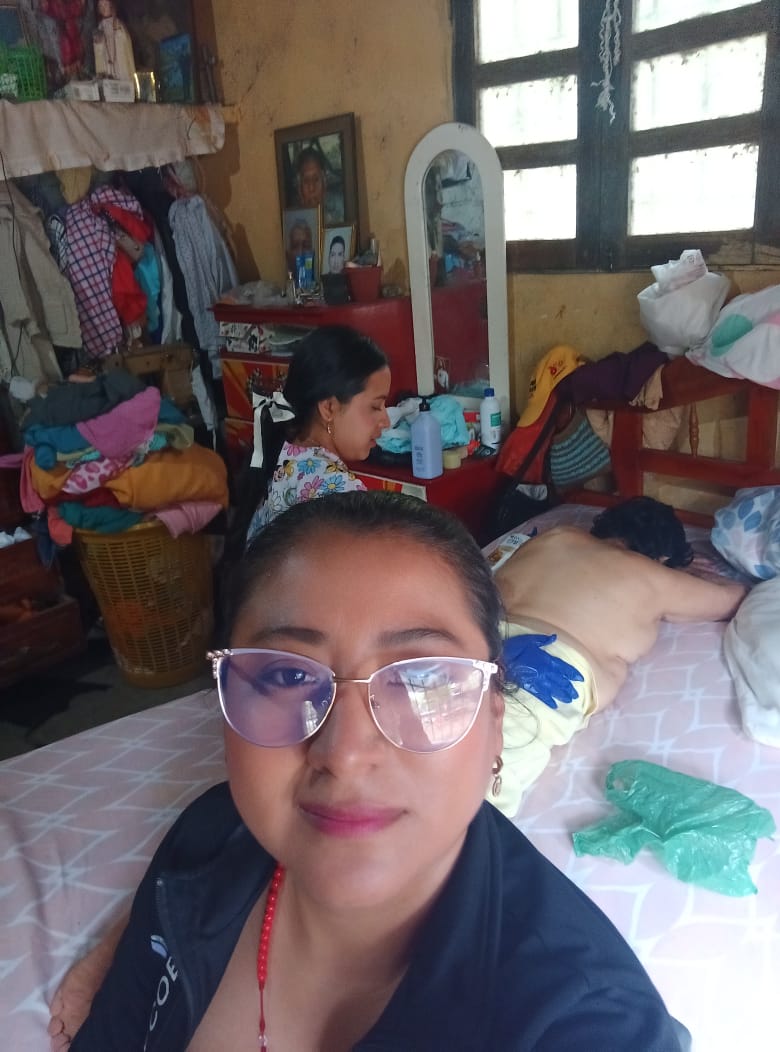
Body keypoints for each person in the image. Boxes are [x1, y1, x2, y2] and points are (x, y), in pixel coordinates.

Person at [62, 490, 689, 1050]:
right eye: (288, 674)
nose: (344, 752)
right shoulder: (205, 840)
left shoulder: (587, 1019)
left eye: (423, 679)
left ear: (495, 721)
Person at [490, 496, 748, 815]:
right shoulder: (652, 576)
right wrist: (680, 573)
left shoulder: (555, 536)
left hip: (476, 641)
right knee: (480, 784)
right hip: (542, 674)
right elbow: (733, 598)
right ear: (664, 557)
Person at [92, 0, 136, 81]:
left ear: (111, 5)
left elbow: (125, 49)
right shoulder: (100, 27)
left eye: (105, 4)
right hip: (107, 66)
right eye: (100, 6)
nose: (103, 8)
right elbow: (98, 54)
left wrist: (117, 34)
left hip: (120, 66)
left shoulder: (119, 26)